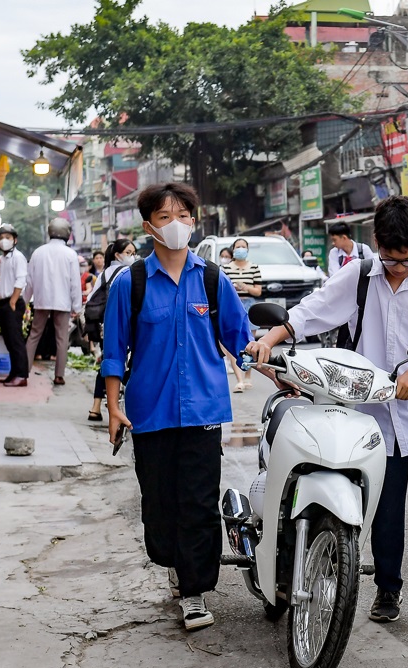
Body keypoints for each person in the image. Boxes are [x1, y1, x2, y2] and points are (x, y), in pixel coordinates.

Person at [246, 195, 408, 645]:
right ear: (376, 243)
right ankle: (387, 591)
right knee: (383, 512)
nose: (399, 268)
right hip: (371, 420)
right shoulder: (360, 275)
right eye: (390, 258)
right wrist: (270, 337)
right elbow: (312, 311)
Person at [101, 182, 253, 632]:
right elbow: (114, 352)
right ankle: (173, 562)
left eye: (185, 215)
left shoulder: (211, 278)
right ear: (149, 227)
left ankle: (195, 591)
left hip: (204, 410)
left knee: (200, 503)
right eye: (166, 217)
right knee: (161, 506)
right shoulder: (131, 283)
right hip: (150, 412)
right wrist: (113, 407)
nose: (178, 224)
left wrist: (281, 372)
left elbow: (240, 339)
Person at [23, 218, 83, 386]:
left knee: (34, 335)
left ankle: (24, 372)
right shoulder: (70, 254)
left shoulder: (38, 252)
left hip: (41, 300)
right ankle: (59, 376)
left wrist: (25, 302)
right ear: (67, 233)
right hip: (62, 302)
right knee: (62, 338)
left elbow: (30, 281)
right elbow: (74, 283)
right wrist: (77, 307)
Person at [86, 238, 135, 421]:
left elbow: (91, 298)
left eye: (133, 253)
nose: (132, 256)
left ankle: (96, 406)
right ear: (118, 255)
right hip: (128, 325)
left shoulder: (105, 273)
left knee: (108, 362)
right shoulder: (129, 273)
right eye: (129, 253)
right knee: (127, 364)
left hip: (106, 326)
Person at [220, 239, 262, 393]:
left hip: (249, 305)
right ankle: (239, 380)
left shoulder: (254, 268)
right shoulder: (224, 269)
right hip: (232, 305)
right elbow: (222, 290)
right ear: (233, 250)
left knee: (250, 343)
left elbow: (258, 291)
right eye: (238, 247)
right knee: (232, 342)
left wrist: (244, 286)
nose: (241, 249)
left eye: (243, 247)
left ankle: (248, 374)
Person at [0, 225, 30, 387]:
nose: (4, 241)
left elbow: (21, 280)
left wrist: (13, 301)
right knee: (8, 340)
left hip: (13, 302)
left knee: (15, 340)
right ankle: (14, 372)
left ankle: (21, 375)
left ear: (15, 240)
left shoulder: (18, 257)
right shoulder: (4, 259)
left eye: (8, 237)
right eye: (1, 238)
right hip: (4, 302)